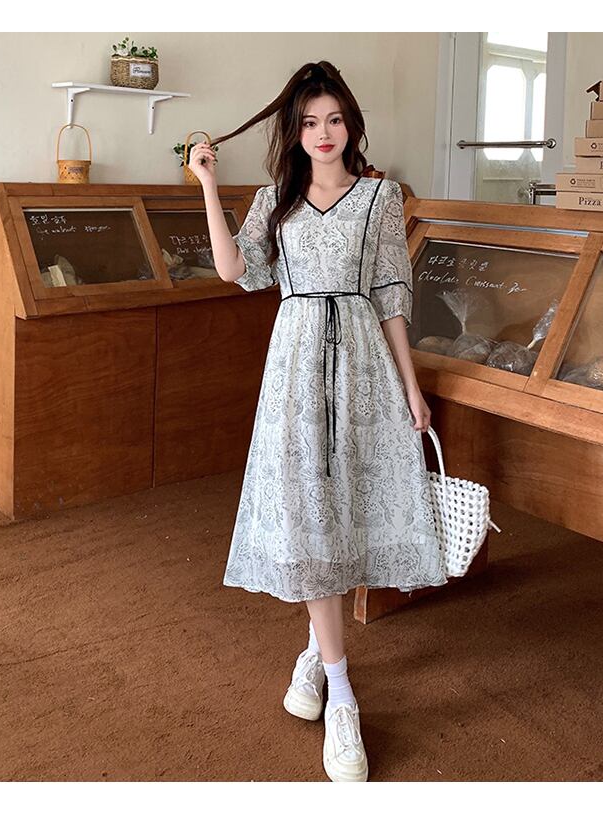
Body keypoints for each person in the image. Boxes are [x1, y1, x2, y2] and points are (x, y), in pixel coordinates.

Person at [188, 60, 447, 783]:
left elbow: (391, 297)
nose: (323, 133)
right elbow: (234, 269)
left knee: (346, 510)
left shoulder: (380, 197)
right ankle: (341, 692)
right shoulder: (274, 200)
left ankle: (313, 653)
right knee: (308, 514)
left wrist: (411, 389)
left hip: (362, 367)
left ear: (351, 124)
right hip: (296, 369)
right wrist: (207, 184)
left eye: (333, 119)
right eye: (309, 122)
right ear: (294, 132)